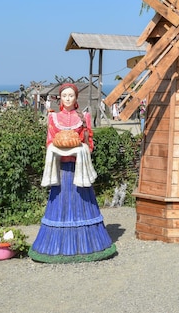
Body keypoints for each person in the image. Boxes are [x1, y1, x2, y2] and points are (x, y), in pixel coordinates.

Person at [29, 83, 116, 263]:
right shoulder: (53, 118)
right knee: (60, 204)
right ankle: (56, 245)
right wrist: (58, 149)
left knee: (82, 204)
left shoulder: (84, 118)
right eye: (65, 95)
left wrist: (82, 148)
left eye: (71, 95)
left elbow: (89, 140)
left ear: (76, 98)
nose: (68, 98)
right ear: (60, 98)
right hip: (62, 172)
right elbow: (50, 141)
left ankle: (88, 244)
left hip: (78, 171)